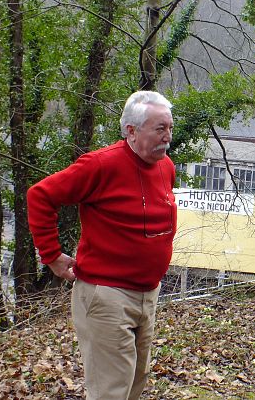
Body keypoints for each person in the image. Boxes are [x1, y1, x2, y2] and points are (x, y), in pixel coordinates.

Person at [28, 91, 177, 400]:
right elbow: (40, 196)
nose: (167, 137)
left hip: (148, 293)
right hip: (107, 295)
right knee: (111, 390)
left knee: (135, 381)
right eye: (160, 129)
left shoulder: (166, 167)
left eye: (170, 128)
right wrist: (51, 255)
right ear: (131, 131)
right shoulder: (100, 165)